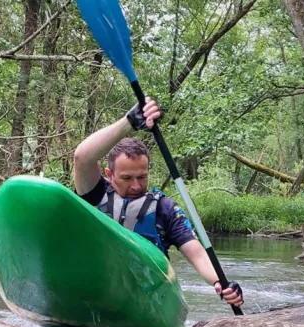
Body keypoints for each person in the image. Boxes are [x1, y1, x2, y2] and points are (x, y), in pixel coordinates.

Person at [72, 98, 244, 308]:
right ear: (109, 174)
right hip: (99, 286)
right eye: (127, 178)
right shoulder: (95, 194)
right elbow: (82, 157)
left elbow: (197, 253)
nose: (136, 186)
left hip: (147, 294)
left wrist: (220, 281)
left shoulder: (165, 209)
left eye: (142, 177)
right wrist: (129, 122)